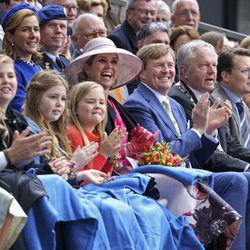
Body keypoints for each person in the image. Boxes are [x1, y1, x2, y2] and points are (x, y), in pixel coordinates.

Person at [23, 68, 205, 250]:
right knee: (123, 208)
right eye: (52, 97)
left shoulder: (81, 134)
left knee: (150, 206)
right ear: (76, 108)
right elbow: (74, 176)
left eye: (62, 99)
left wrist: (116, 154)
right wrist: (101, 156)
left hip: (81, 189)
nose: (59, 104)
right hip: (71, 194)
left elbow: (97, 174)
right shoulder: (68, 133)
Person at [123, 43, 249, 249]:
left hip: (189, 177)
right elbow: (161, 155)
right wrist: (198, 130)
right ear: (142, 73)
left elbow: (194, 158)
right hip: (167, 183)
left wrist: (208, 132)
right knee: (237, 180)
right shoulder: (137, 104)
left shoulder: (173, 105)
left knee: (244, 179)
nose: (166, 71)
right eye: (159, 66)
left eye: (169, 65)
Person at [168, 40, 250, 249]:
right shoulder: (179, 98)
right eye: (204, 65)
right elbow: (207, 155)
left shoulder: (211, 97)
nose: (212, 70)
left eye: (214, 65)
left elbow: (229, 145)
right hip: (195, 172)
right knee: (241, 180)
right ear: (184, 71)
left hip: (210, 169)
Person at [64, 37, 158, 161]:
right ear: (87, 68)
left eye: (114, 62)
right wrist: (127, 150)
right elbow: (93, 155)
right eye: (102, 60)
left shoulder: (113, 103)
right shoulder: (83, 107)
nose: (109, 66)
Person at [67, 81, 126, 174]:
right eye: (90, 102)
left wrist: (110, 156)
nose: (98, 106)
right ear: (75, 108)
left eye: (102, 102)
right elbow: (83, 183)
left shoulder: (99, 135)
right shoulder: (72, 134)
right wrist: (103, 154)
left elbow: (103, 177)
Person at [1, 3, 42, 111]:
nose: (33, 35)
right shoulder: (11, 70)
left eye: (36, 29)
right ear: (10, 37)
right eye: (26, 30)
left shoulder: (38, 67)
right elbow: (22, 110)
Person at [212, 48, 250, 148]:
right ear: (225, 76)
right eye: (246, 71)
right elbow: (231, 149)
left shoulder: (241, 104)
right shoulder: (216, 103)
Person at [38, 4, 70, 72]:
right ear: (39, 30)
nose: (58, 31)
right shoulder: (35, 61)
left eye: (62, 26)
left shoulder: (67, 62)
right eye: (52, 25)